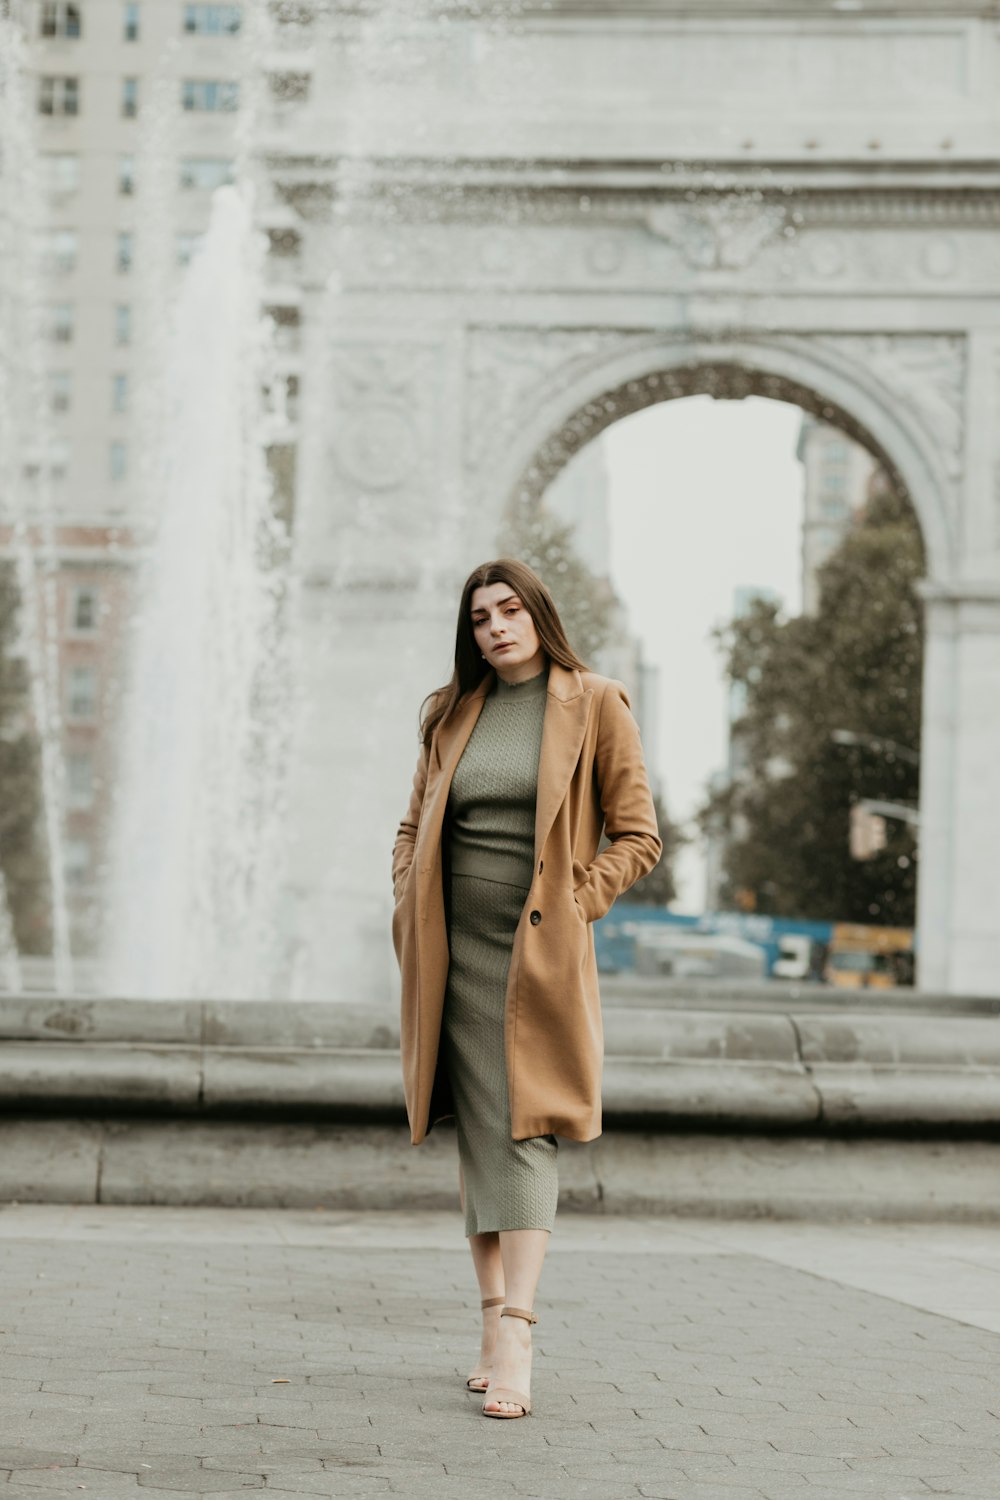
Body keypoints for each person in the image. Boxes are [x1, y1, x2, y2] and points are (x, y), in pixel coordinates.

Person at [391, 558, 661, 1419]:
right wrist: (406, 891)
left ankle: (519, 1330)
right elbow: (413, 820)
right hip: (450, 953)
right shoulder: (450, 712)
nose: (497, 627)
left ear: (539, 614)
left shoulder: (596, 700)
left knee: (526, 1129)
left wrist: (580, 903)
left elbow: (638, 833)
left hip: (535, 956)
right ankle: (487, 1323)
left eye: (510, 610)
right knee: (478, 1134)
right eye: (480, 618)